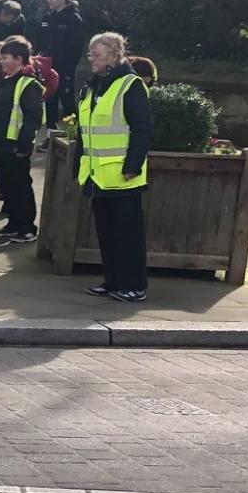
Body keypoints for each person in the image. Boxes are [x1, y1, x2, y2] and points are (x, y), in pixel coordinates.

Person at [77, 32, 152, 303]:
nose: (91, 60)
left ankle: (134, 285)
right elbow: (83, 131)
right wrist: (79, 165)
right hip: (98, 174)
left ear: (113, 55)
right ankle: (113, 281)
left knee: (128, 234)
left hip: (123, 174)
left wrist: (132, 165)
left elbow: (142, 130)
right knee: (107, 232)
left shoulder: (130, 85)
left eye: (96, 55)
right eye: (90, 54)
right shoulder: (94, 85)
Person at [0, 38, 44, 242]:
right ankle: (13, 223)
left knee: (20, 185)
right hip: (1, 144)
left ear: (19, 59)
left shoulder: (28, 85)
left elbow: (32, 117)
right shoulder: (4, 82)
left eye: (5, 57)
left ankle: (27, 227)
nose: (1, 61)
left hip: (16, 145)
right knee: (8, 185)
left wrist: (24, 144)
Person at [36, 0, 89, 129]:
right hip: (48, 66)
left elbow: (77, 47)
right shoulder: (47, 18)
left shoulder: (73, 19)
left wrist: (68, 66)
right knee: (49, 99)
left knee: (67, 101)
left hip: (65, 67)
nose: (49, 0)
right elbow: (40, 40)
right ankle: (50, 135)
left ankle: (72, 135)